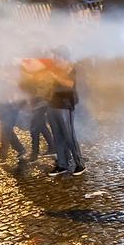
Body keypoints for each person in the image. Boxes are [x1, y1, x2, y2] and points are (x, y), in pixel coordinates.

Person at [46, 47, 85, 177]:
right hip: (52, 105)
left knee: (69, 136)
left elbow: (69, 84)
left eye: (57, 56)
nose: (55, 59)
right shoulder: (54, 69)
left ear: (63, 57)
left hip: (65, 106)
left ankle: (79, 164)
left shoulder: (70, 68)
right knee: (57, 136)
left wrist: (54, 77)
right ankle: (62, 164)